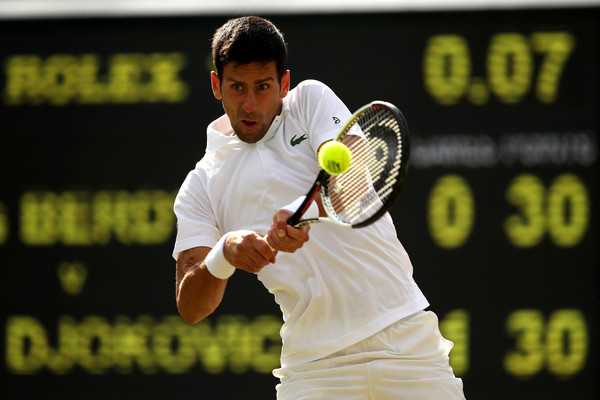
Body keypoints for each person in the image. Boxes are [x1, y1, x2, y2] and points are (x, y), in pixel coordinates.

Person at [173, 15, 466, 399]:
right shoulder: (201, 185)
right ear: (216, 85)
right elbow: (191, 306)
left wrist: (299, 212)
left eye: (263, 87)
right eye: (236, 87)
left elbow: (355, 179)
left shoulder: (310, 100)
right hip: (313, 371)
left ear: (285, 83)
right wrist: (223, 253)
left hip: (405, 342)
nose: (249, 103)